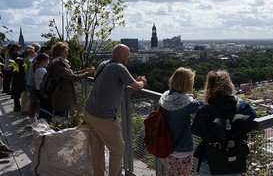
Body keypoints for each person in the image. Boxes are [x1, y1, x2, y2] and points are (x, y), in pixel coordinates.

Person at [83, 44, 147, 176]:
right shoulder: (119, 68)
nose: (129, 57)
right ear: (121, 54)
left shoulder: (104, 64)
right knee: (118, 148)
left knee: (97, 148)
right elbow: (135, 86)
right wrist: (143, 82)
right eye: (128, 55)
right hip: (103, 116)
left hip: (89, 111)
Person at [191, 70, 258, 176]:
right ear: (229, 85)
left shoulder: (203, 111)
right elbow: (254, 123)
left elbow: (196, 130)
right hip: (235, 159)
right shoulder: (242, 107)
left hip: (210, 159)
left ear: (209, 87)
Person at [158, 67, 203, 176]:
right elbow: (201, 104)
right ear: (186, 84)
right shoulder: (186, 103)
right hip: (181, 149)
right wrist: (191, 97)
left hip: (164, 147)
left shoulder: (164, 98)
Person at [48, 42, 95, 117]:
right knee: (62, 118)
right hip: (61, 96)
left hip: (60, 94)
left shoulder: (57, 62)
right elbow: (72, 77)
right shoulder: (58, 65)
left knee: (62, 116)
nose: (67, 54)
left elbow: (71, 73)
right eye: (65, 52)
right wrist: (86, 73)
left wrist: (85, 70)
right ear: (59, 53)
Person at [26, 53, 50, 123]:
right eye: (47, 61)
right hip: (38, 89)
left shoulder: (37, 67)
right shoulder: (41, 70)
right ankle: (33, 118)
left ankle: (33, 117)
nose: (48, 62)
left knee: (35, 102)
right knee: (35, 103)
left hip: (35, 88)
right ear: (43, 61)